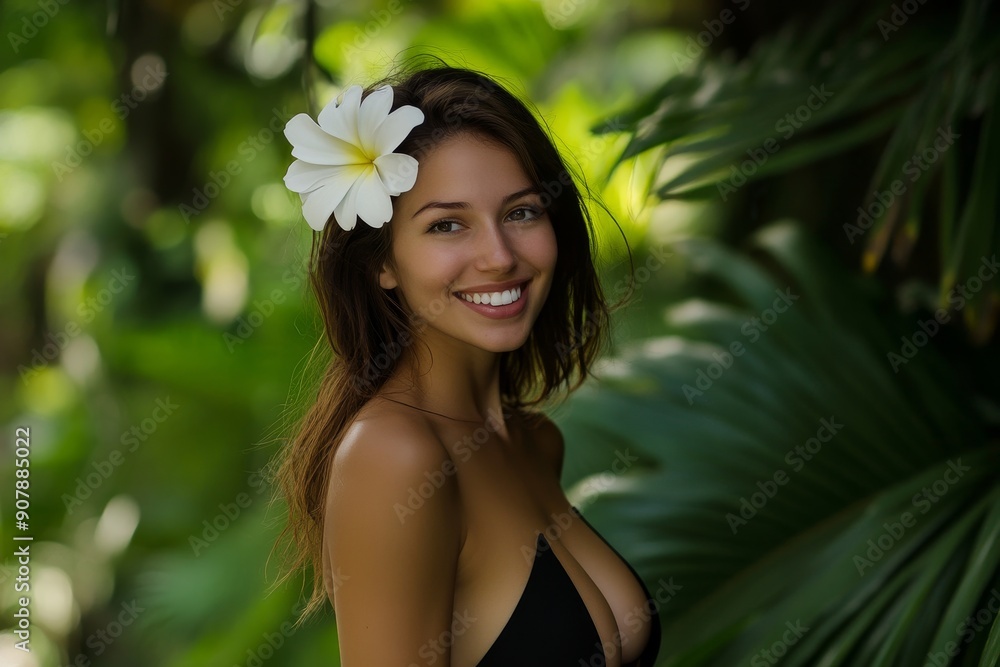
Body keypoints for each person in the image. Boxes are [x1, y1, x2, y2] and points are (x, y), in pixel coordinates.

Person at [271, 62, 661, 666]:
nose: (499, 256)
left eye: (521, 212)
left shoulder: (534, 442)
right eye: (447, 225)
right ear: (383, 263)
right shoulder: (394, 456)